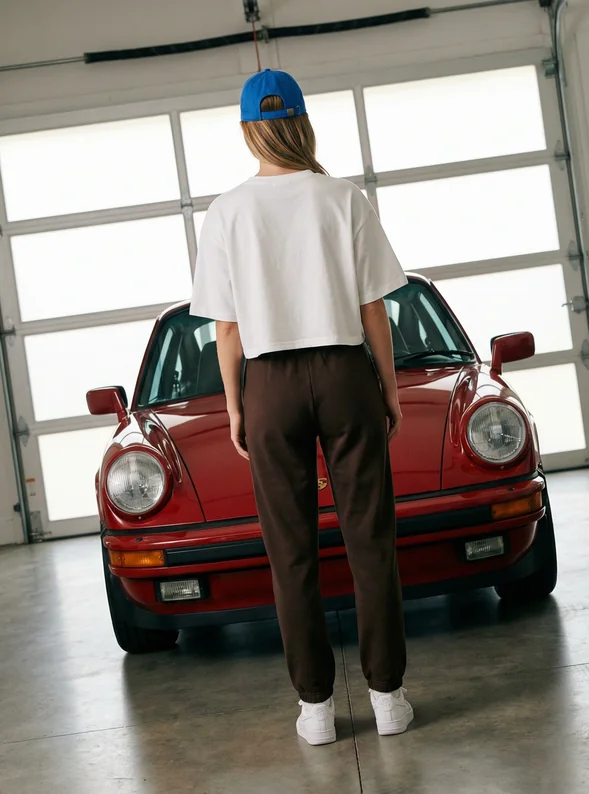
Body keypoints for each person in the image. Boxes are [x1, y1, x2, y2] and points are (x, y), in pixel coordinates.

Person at [190, 69, 412, 746]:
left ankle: (315, 710)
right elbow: (375, 307)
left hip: (270, 384)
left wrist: (235, 405)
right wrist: (389, 388)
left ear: (247, 129)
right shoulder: (343, 198)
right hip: (345, 370)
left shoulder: (227, 211)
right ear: (304, 122)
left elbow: (227, 330)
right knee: (369, 539)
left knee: (290, 550)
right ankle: (387, 699)